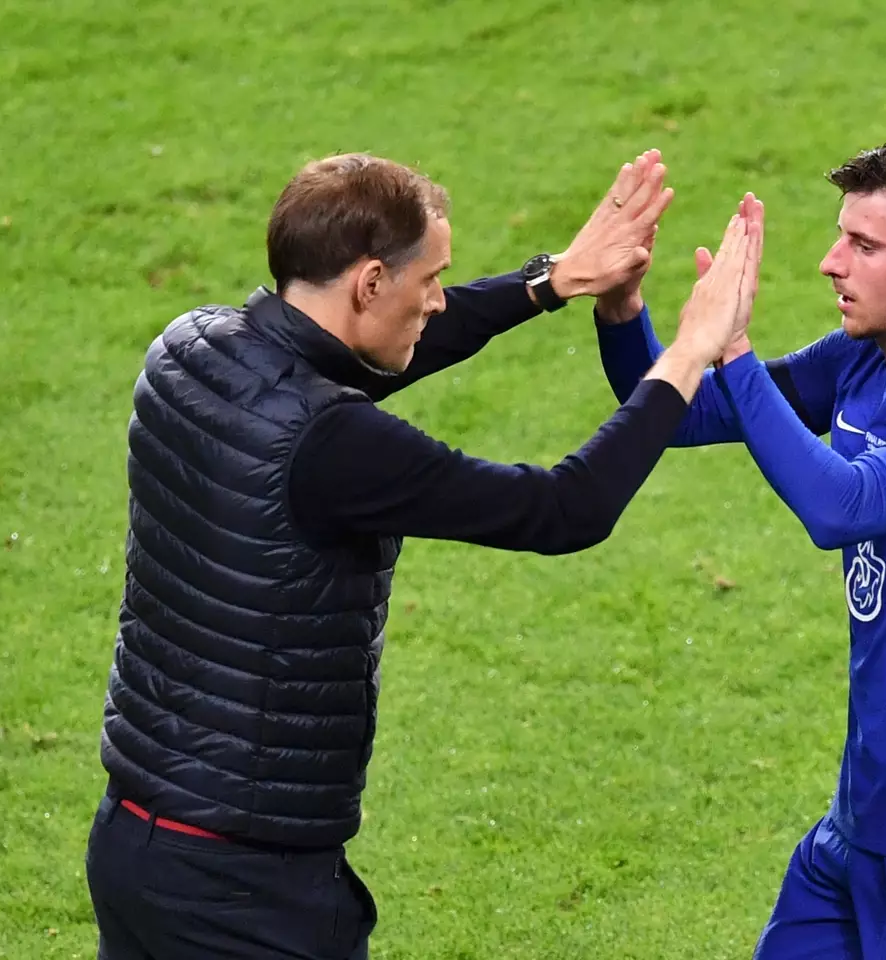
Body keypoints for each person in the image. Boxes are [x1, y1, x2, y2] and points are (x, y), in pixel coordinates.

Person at [84, 147, 763, 959]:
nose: (438, 302)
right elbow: (561, 510)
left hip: (135, 842)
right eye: (429, 281)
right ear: (370, 281)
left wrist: (553, 281)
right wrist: (685, 356)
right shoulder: (333, 443)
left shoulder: (189, 352)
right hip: (248, 890)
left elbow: (352, 361)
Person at [594, 129, 886, 959]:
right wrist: (623, 310)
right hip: (859, 831)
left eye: (862, 244)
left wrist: (733, 344)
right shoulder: (860, 362)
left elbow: (839, 508)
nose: (829, 261)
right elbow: (692, 414)